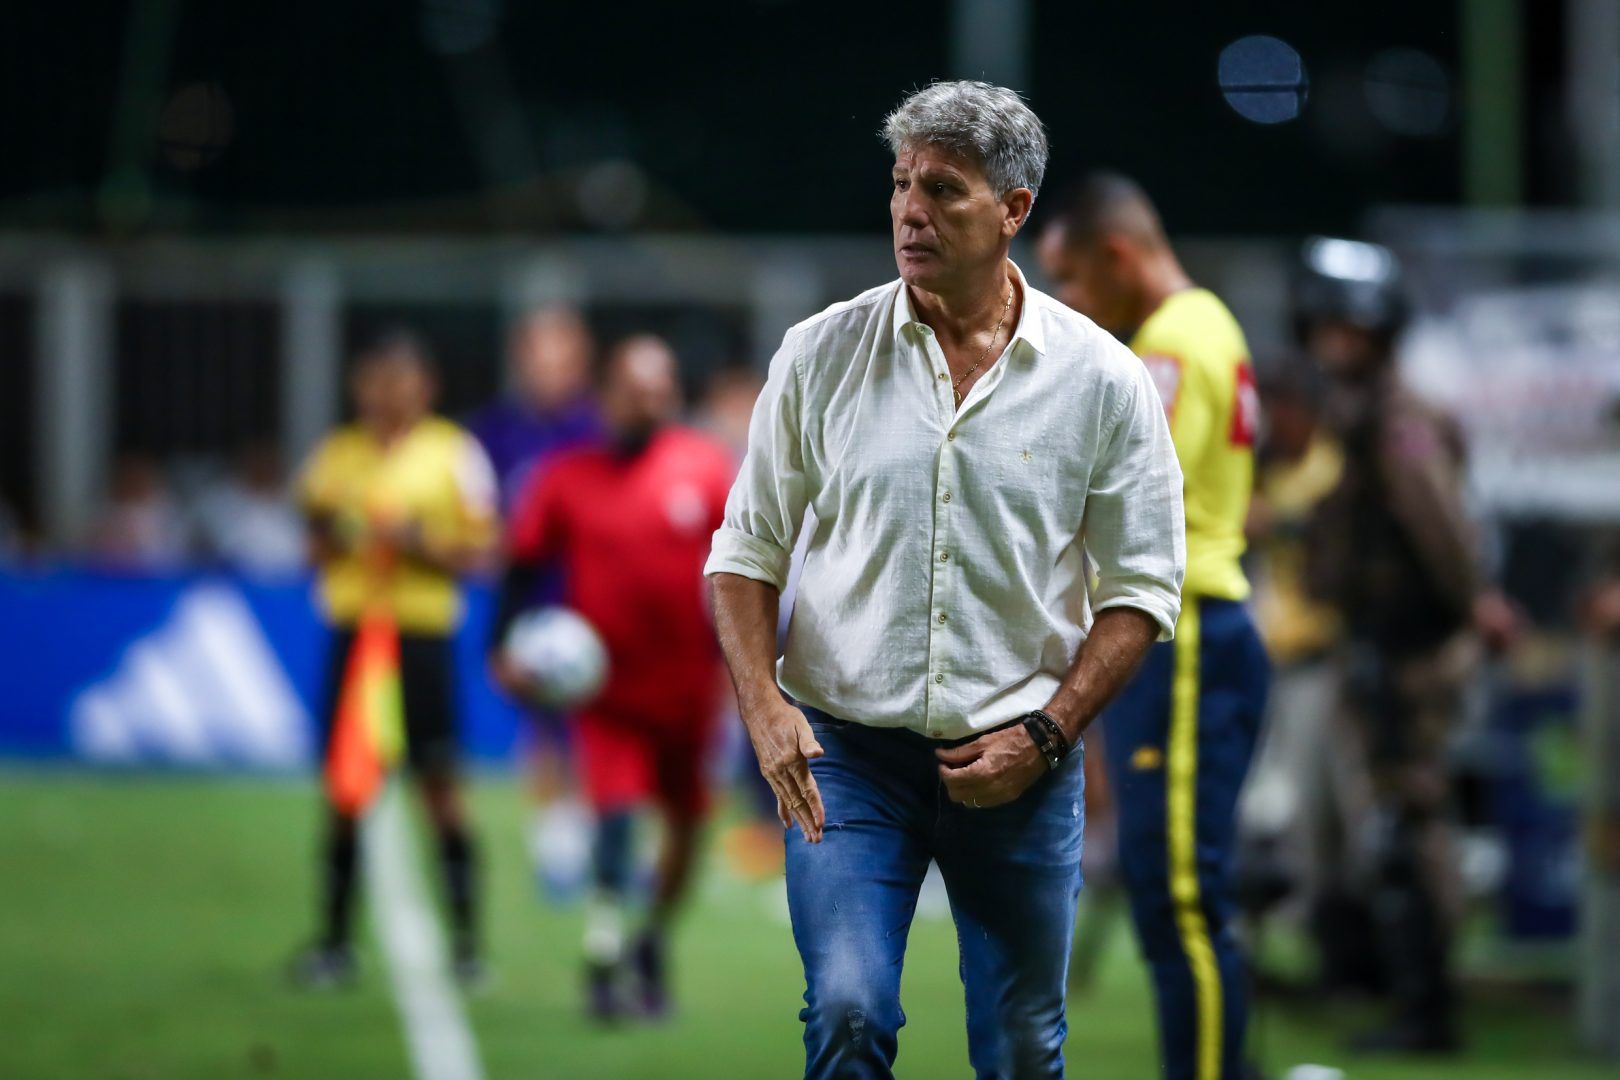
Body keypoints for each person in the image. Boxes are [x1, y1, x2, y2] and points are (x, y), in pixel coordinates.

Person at [707, 82, 1185, 1079]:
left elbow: (1142, 589)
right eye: (900, 184)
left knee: (1022, 1049)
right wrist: (763, 708)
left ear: (1013, 209)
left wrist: (1047, 734)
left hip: (1021, 759)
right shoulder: (820, 354)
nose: (909, 211)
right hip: (846, 753)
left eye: (942, 189)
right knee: (847, 1013)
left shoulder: (1103, 378)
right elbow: (746, 552)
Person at [1038, 172, 1271, 1080]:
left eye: (1071, 276)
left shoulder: (1169, 344)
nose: (1067, 299)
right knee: (1178, 895)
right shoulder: (1211, 322)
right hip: (1201, 629)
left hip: (1187, 636)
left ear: (1118, 255)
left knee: (1180, 900)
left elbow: (1134, 493)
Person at [1296, 237, 1519, 1054]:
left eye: (1349, 327)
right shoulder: (1361, 409)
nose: (1334, 341)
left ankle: (1429, 1008)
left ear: (1381, 329)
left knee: (1410, 818)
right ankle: (1406, 990)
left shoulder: (1396, 416)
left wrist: (1474, 603)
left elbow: (1440, 526)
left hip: (1411, 646)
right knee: (1391, 817)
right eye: (1325, 326)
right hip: (1380, 638)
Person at [490, 335, 735, 1021]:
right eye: (634, 389)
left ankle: (651, 938)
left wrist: (745, 669)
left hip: (687, 688)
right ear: (607, 395)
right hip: (605, 691)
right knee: (616, 816)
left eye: (659, 390)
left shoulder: (705, 468)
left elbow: (747, 569)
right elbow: (521, 565)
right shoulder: (566, 477)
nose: (648, 402)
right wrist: (501, 648)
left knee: (687, 826)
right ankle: (603, 956)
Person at [293, 329, 499, 987]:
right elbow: (311, 544)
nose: (386, 392)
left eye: (400, 378)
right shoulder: (336, 455)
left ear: (425, 386)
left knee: (440, 786)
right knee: (346, 789)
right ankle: (333, 943)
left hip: (420, 634)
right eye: (375, 379)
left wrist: (416, 542)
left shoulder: (454, 454)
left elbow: (482, 552)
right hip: (357, 635)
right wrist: (343, 536)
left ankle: (467, 945)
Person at [466, 306, 605, 900]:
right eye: (539, 359)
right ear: (521, 361)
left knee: (603, 728)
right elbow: (478, 522)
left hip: (597, 600)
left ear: (582, 363)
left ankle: (606, 834)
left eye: (561, 359)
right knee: (543, 725)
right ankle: (556, 842)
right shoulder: (492, 433)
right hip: (528, 603)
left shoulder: (600, 429)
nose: (550, 372)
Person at [191, 440, 307, 575]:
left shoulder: (299, 496)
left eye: (267, 457)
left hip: (291, 578)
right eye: (256, 457)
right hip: (234, 581)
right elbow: (194, 546)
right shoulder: (219, 500)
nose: (262, 464)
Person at [87, 453, 190, 570]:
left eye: (137, 478)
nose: (133, 482)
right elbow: (94, 553)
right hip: (112, 572)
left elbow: (171, 555)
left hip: (153, 572)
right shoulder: (106, 513)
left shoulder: (164, 509)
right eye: (128, 478)